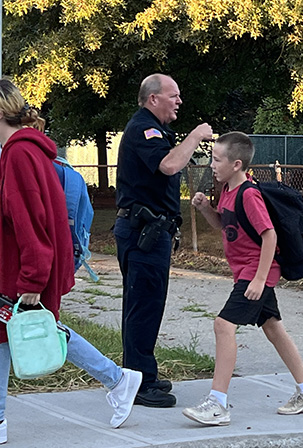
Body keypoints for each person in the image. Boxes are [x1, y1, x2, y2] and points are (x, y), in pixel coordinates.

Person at [0, 79, 142, 442]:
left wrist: (32, 280)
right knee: (17, 333)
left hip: (23, 267)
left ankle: (118, 379)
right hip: (22, 264)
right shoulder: (26, 150)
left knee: (18, 333)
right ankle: (118, 379)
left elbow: (31, 220)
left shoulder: (18, 154)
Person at [183, 132, 303, 425]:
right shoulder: (227, 192)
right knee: (273, 327)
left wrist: (259, 279)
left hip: (256, 272)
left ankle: (217, 404)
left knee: (223, 326)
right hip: (246, 272)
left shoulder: (249, 194)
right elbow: (225, 226)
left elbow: (269, 235)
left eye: (217, 160)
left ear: (236, 164)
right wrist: (206, 208)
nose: (212, 165)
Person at [115, 74, 213, 408]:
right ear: (153, 98)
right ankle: (139, 383)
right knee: (143, 306)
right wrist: (197, 134)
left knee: (146, 304)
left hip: (152, 232)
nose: (179, 101)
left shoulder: (155, 129)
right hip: (143, 233)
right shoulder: (144, 128)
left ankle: (141, 374)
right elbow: (170, 165)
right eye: (174, 95)